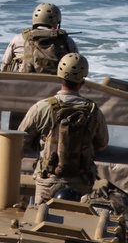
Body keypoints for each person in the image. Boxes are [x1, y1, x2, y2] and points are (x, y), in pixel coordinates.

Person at [18, 53, 109, 205]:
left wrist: (41, 145)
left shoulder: (42, 107)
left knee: (40, 219)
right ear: (82, 80)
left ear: (59, 77)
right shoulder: (93, 111)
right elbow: (102, 143)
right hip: (81, 182)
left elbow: (21, 140)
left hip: (47, 181)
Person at [0, 2, 79, 74]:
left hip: (22, 85)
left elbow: (4, 66)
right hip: (55, 86)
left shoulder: (18, 39)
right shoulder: (67, 41)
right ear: (56, 20)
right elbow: (77, 67)